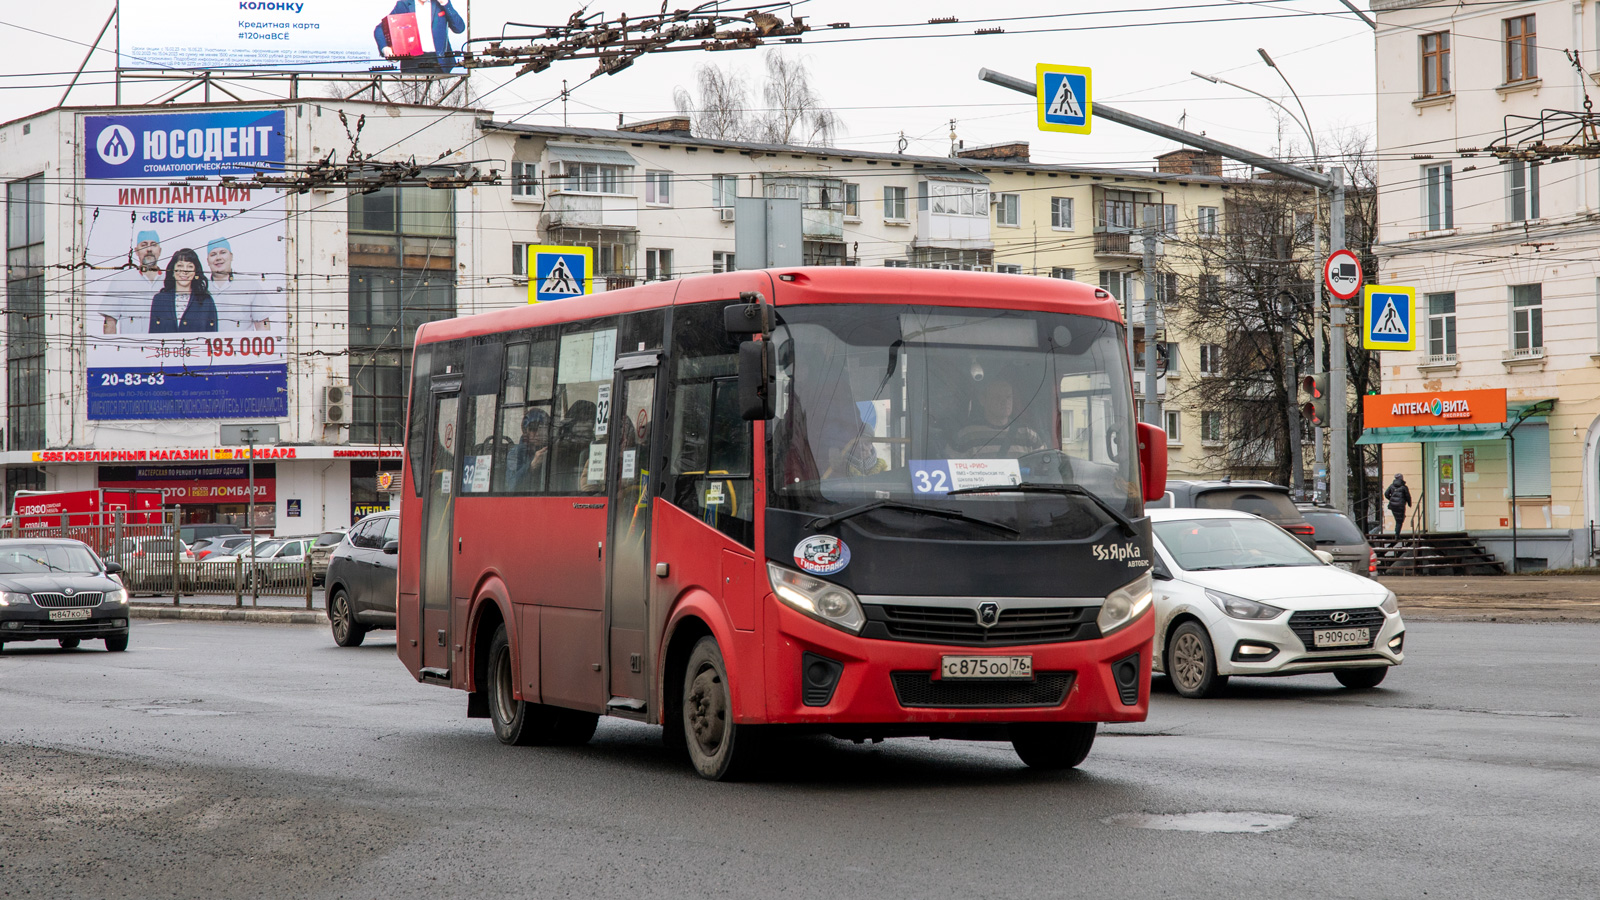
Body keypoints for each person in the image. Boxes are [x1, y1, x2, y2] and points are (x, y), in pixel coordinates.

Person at [953, 378, 1047, 458]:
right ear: (983, 400)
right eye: (997, 397)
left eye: (1008, 397)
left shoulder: (1028, 434)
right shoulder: (967, 435)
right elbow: (949, 471)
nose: (1005, 402)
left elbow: (1045, 467)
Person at [93, 230, 164, 334]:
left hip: (163, 348)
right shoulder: (121, 280)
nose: (149, 249)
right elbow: (110, 321)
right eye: (144, 245)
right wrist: (112, 347)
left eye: (153, 245)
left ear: (160, 251)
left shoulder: (170, 280)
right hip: (131, 348)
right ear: (136, 251)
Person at [374, 0, 466, 73]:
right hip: (412, 62)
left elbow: (459, 28)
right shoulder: (404, 5)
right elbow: (379, 29)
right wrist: (385, 49)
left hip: (438, 62)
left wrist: (446, 4)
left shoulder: (440, 4)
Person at [148, 248, 219, 334]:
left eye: (190, 266)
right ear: (173, 271)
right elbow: (153, 336)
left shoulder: (206, 302)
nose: (184, 271)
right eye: (180, 266)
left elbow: (212, 337)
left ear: (195, 272)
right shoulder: (159, 300)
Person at [206, 237, 270, 331]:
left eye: (223, 252)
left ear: (231, 256)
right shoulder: (201, 288)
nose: (218, 258)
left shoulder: (249, 285)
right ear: (208, 261)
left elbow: (262, 324)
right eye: (213, 254)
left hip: (242, 345)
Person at [503, 408, 551, 493]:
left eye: (542, 428)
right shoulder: (516, 453)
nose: (538, 433)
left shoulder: (552, 449)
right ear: (526, 431)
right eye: (533, 429)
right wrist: (531, 467)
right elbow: (511, 485)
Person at [1385, 473, 1413, 538]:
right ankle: (1397, 535)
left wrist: (1391, 500)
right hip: (1400, 506)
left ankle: (1397, 534)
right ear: (1401, 478)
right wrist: (1409, 503)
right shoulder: (1404, 487)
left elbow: (1386, 494)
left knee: (1398, 520)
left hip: (1393, 506)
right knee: (1400, 520)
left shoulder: (1391, 486)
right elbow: (1408, 496)